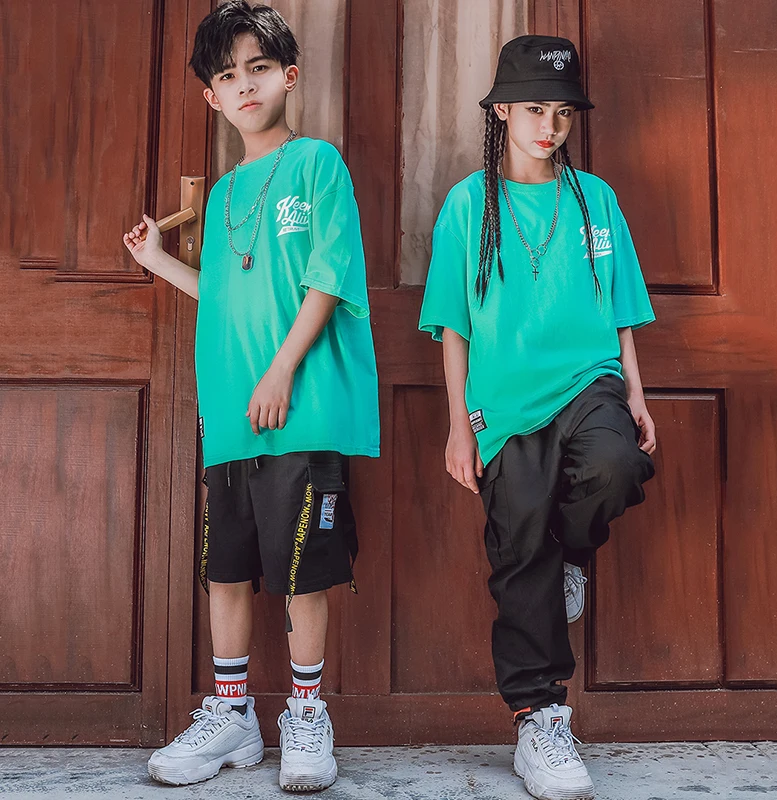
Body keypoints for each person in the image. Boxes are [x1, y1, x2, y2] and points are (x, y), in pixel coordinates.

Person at [122, 1, 379, 790]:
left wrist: (282, 368)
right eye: (228, 76)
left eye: (259, 69)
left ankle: (306, 714)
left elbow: (328, 277)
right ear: (212, 96)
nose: (245, 85)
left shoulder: (318, 165)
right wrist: (160, 262)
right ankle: (232, 718)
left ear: (289, 76)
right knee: (226, 568)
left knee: (304, 571)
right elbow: (227, 295)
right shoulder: (226, 193)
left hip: (303, 405)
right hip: (233, 413)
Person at [419, 35, 656, 800]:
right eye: (532, 110)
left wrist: (636, 393)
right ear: (500, 114)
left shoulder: (596, 199)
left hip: (590, 381)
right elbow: (453, 326)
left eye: (561, 113)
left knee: (616, 465)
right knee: (519, 544)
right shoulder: (468, 205)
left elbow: (621, 310)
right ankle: (540, 720)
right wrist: (458, 424)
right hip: (502, 402)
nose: (548, 127)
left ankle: (573, 554)